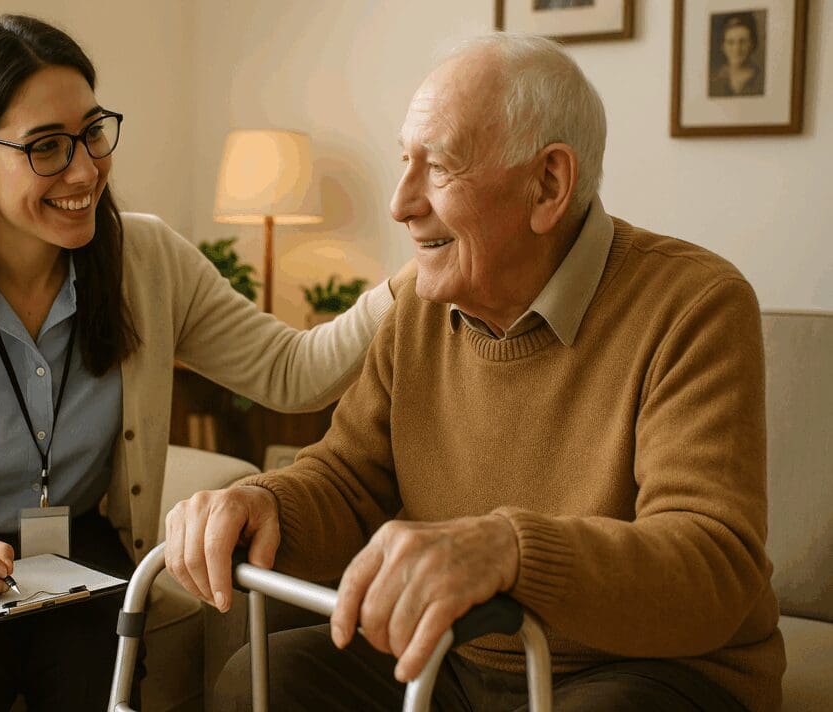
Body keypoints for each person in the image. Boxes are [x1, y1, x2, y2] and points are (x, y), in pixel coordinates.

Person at [165, 33, 785, 712]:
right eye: (406, 161)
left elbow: (710, 565)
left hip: (644, 669)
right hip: (458, 656)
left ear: (549, 183)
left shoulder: (694, 303)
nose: (401, 203)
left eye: (438, 168)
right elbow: (347, 481)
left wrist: (511, 550)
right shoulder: (420, 307)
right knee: (260, 681)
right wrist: (265, 503)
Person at [0, 14, 408, 712]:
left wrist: (407, 286)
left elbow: (291, 370)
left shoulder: (147, 263)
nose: (83, 170)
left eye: (92, 134)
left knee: (100, 648)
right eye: (45, 148)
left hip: (67, 551)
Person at [709, 13, 765, 97]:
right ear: (723, 46)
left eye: (743, 42)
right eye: (730, 42)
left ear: (752, 44)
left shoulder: (762, 80)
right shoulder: (713, 81)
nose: (737, 49)